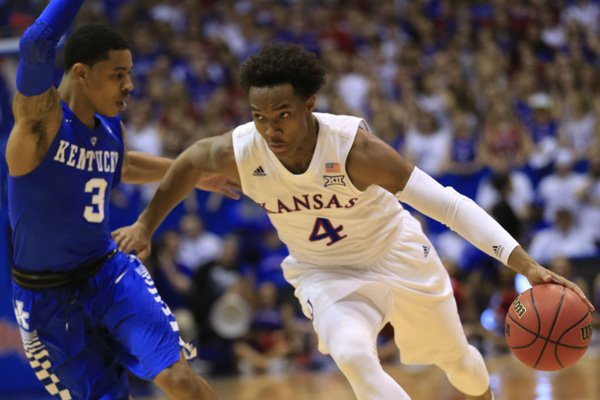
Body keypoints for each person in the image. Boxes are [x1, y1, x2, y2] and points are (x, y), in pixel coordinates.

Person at [114, 44, 594, 400]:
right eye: (259, 116)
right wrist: (145, 225)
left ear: (309, 104)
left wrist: (525, 265)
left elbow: (449, 205)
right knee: (353, 355)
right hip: (326, 273)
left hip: (397, 255)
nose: (270, 128)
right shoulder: (239, 150)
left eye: (282, 114)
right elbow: (187, 165)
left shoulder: (355, 151)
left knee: (460, 365)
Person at [6, 1, 237, 398]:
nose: (129, 85)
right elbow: (36, 42)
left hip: (109, 275)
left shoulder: (111, 127)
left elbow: (122, 164)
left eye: (128, 74)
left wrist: (189, 173)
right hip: (46, 299)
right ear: (81, 73)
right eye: (117, 75)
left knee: (180, 380)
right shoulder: (39, 126)